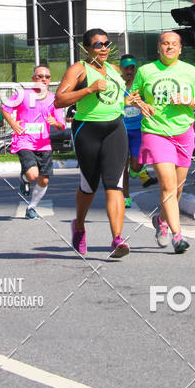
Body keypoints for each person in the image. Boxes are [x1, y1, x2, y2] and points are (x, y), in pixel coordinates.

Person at [127, 31, 195, 254]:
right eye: (165, 44)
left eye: (174, 45)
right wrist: (142, 105)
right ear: (159, 48)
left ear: (180, 49)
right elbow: (131, 97)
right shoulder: (146, 71)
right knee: (167, 185)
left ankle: (161, 220)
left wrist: (187, 100)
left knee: (178, 189)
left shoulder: (190, 71)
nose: (169, 48)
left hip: (183, 133)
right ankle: (178, 236)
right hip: (155, 132)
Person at [55, 29, 130, 258]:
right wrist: (88, 89)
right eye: (98, 45)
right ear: (87, 48)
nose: (104, 48)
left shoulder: (115, 70)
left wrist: (134, 101)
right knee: (89, 185)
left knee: (114, 184)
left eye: (107, 44)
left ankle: (117, 239)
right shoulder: (78, 69)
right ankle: (79, 225)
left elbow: (118, 98)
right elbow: (59, 99)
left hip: (115, 128)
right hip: (87, 130)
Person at [2, 65, 65, 218]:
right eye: (40, 76)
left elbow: (61, 125)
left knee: (44, 179)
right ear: (33, 79)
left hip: (43, 143)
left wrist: (54, 122)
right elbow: (5, 107)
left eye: (47, 77)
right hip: (24, 140)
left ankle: (31, 207)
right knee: (32, 175)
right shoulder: (23, 94)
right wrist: (13, 123)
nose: (44, 79)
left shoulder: (53, 99)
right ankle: (24, 178)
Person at [119, 54, 157, 208]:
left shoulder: (140, 85)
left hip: (138, 130)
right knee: (123, 167)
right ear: (121, 68)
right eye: (126, 68)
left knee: (136, 166)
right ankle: (125, 197)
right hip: (121, 129)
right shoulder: (117, 85)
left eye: (132, 68)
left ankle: (137, 171)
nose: (129, 71)